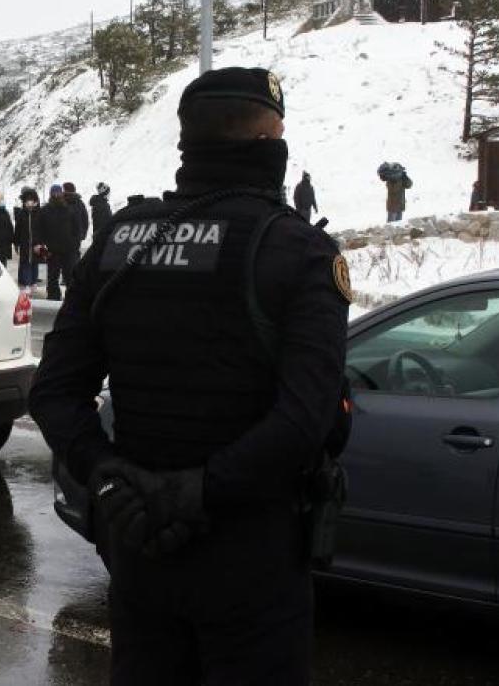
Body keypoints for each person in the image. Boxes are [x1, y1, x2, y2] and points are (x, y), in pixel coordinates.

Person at [30, 67, 350, 685]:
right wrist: (201, 491)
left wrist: (107, 478)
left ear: (188, 144)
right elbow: (306, 419)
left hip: (138, 548)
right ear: (269, 144)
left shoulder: (122, 239)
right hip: (251, 555)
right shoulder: (298, 251)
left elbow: (54, 392)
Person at [38, 184, 79, 301]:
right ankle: (53, 297)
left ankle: (72, 299)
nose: (56, 195)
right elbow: (39, 229)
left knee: (70, 276)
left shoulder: (70, 210)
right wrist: (42, 246)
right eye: (54, 193)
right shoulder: (44, 211)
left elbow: (77, 229)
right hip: (52, 251)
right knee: (52, 277)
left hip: (68, 250)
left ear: (62, 194)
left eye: (58, 193)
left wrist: (75, 244)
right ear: (51, 194)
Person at [14, 187, 44, 291]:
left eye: (31, 200)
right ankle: (26, 283)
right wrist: (16, 242)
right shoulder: (22, 213)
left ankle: (33, 282)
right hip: (25, 243)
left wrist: (42, 243)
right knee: (26, 263)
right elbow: (17, 229)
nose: (29, 202)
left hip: (36, 244)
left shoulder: (39, 213)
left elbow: (44, 228)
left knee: (35, 263)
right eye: (27, 200)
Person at [63, 182, 90, 252]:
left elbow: (85, 220)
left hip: (73, 237)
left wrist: (83, 234)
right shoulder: (79, 203)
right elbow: (85, 220)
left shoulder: (79, 203)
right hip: (69, 237)